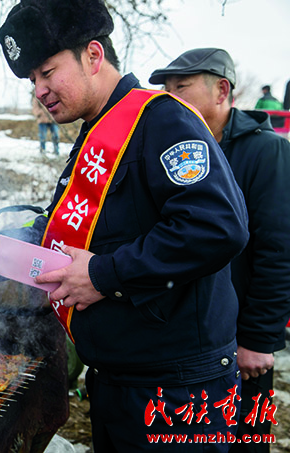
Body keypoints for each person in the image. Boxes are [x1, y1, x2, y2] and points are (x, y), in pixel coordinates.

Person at [0, 0, 249, 451]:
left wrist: (104, 273)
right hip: (120, 381)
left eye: (46, 72)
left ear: (94, 56)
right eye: (31, 81)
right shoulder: (94, 131)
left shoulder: (162, 121)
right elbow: (62, 235)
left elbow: (218, 227)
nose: (39, 91)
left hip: (176, 389)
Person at [150, 47, 290, 453]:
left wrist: (259, 339)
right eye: (164, 88)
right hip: (194, 344)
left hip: (242, 343)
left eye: (182, 87)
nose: (169, 97)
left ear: (221, 90)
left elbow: (278, 251)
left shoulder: (267, 152)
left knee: (246, 442)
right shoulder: (176, 152)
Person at [31, 91, 59, 155]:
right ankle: (42, 152)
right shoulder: (37, 97)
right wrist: (39, 113)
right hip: (42, 120)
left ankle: (56, 152)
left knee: (56, 136)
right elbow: (35, 108)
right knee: (42, 137)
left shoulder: (52, 94)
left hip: (53, 120)